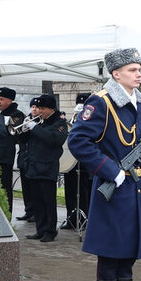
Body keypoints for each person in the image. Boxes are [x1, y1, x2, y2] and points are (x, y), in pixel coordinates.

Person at [68, 48, 141, 281]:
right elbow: (78, 141)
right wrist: (110, 170)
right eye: (133, 69)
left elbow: (139, 142)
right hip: (115, 190)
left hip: (138, 190)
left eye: (139, 69)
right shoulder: (101, 102)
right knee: (110, 258)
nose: (139, 74)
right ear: (116, 73)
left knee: (128, 258)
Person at [15, 93, 69, 242]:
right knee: (37, 201)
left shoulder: (59, 122)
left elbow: (54, 139)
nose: (38, 111)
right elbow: (22, 141)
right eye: (38, 108)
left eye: (42, 108)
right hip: (33, 166)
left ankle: (50, 231)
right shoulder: (38, 122)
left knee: (48, 201)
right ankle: (40, 229)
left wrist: (34, 128)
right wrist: (24, 131)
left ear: (51, 109)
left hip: (47, 168)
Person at [0, 86, 25, 212]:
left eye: (2, 99)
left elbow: (6, 132)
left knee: (5, 188)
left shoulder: (17, 114)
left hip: (5, 155)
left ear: (10, 101)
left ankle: (7, 213)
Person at [62, 92, 92, 231]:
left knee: (84, 192)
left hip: (85, 164)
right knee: (70, 191)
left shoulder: (91, 121)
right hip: (71, 164)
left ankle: (84, 219)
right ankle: (71, 218)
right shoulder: (73, 119)